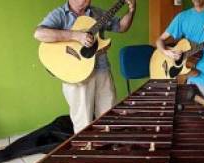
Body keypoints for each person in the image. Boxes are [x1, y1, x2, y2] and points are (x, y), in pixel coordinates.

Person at [34, 0, 136, 133]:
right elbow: (39, 33)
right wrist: (76, 36)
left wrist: (131, 10)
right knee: (83, 121)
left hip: (102, 69)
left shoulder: (97, 12)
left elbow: (121, 27)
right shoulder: (60, 14)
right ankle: (85, 149)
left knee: (108, 117)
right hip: (75, 74)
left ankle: (105, 147)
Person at [155, 0, 204, 102]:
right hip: (182, 79)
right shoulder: (182, 17)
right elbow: (159, 40)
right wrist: (167, 52)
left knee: (203, 116)